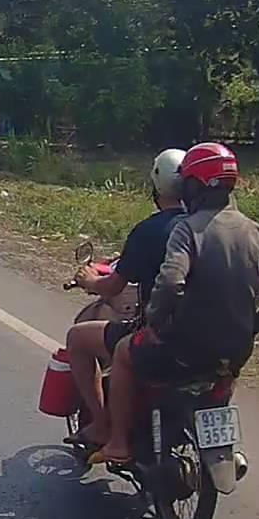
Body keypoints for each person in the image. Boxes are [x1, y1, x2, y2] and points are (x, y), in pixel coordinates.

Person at [92, 142, 259, 464]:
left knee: (123, 353)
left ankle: (117, 443)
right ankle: (219, 442)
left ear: (193, 186)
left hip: (183, 348)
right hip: (237, 349)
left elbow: (171, 282)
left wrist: (156, 324)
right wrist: (257, 326)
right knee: (221, 373)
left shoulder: (188, 230)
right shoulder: (258, 233)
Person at [64, 149, 186, 448]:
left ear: (156, 186)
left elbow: (113, 287)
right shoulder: (212, 227)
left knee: (79, 339)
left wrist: (90, 281)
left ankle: (105, 428)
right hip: (216, 336)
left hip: (163, 334)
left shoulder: (150, 230)